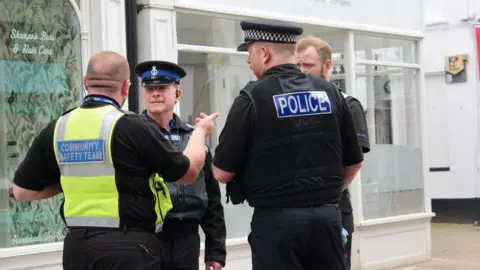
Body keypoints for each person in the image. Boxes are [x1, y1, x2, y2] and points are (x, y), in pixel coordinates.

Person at [12, 51, 219, 270]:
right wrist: (200, 132)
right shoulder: (133, 127)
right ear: (126, 87)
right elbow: (187, 174)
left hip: (78, 250)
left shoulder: (59, 127)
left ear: (85, 83)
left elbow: (22, 191)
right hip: (128, 247)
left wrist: (70, 180)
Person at [211, 18, 364, 270]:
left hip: (276, 224)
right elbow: (355, 162)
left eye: (249, 53)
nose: (249, 61)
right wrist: (327, 196)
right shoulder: (331, 93)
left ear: (264, 53)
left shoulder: (252, 98)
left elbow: (221, 172)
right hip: (327, 220)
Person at [135, 60, 227, 270]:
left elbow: (212, 197)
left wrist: (215, 251)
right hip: (146, 236)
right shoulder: (132, 134)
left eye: (162, 88)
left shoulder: (193, 137)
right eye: (150, 89)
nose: (155, 94)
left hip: (186, 236)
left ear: (178, 94)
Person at [296, 36, 371, 269]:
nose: (301, 72)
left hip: (334, 209)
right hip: (295, 211)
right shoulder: (293, 106)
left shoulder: (347, 104)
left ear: (327, 65)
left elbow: (354, 162)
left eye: (308, 65)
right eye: (297, 65)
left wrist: (329, 192)